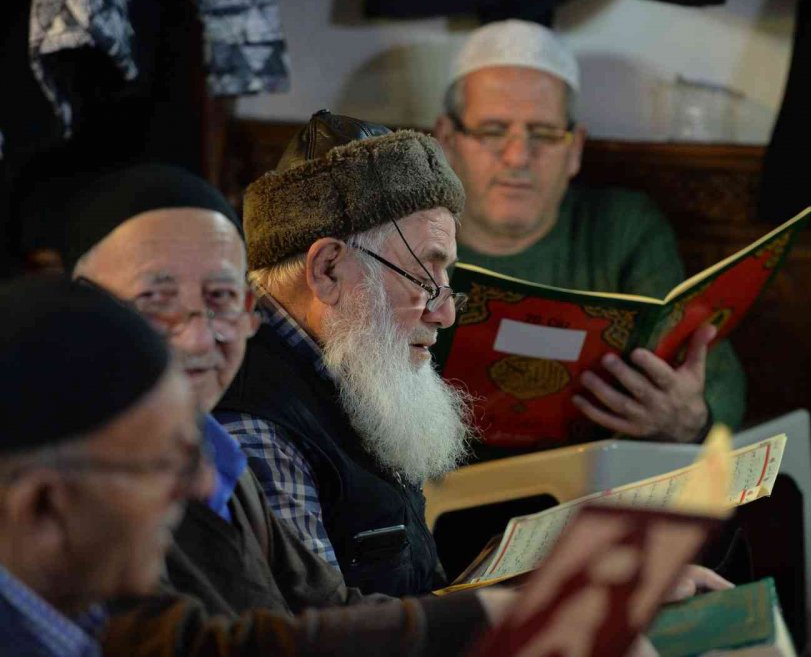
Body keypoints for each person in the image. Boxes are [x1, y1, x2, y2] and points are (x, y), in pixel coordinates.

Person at [64, 163, 501, 652]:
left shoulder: (212, 458)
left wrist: (500, 614)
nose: (200, 334)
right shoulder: (83, 480)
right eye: (158, 298)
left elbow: (329, 604)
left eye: (222, 297)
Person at [433, 19, 747, 455]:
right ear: (447, 141)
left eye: (543, 133)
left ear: (575, 148)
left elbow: (718, 381)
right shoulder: (402, 237)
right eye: (492, 132)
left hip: (589, 490)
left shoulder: (622, 228)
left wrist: (688, 422)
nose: (519, 156)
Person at [213, 112, 474, 596]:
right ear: (328, 270)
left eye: (446, 282)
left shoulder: (347, 363)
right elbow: (315, 635)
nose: (443, 314)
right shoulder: (254, 428)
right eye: (424, 279)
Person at [0, 275, 212, 656]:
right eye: (165, 464)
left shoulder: (86, 611)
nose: (201, 486)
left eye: (192, 453)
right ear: (43, 505)